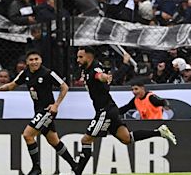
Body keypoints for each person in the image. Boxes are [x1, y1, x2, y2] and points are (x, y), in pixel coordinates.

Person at [74, 46, 176, 175]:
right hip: (111, 109)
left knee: (86, 140)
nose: (78, 60)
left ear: (89, 57)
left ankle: (76, 172)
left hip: (104, 111)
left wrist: (105, 77)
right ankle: (159, 132)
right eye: (78, 56)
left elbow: (99, 75)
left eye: (81, 57)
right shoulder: (88, 68)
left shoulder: (93, 69)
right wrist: (124, 65)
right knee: (127, 138)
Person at [0, 50, 77, 175]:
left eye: (36, 59)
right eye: (31, 60)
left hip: (47, 110)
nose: (34, 62)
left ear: (41, 60)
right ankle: (75, 166)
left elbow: (64, 87)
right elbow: (11, 86)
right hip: (38, 110)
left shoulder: (48, 73)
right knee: (54, 141)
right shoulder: (25, 73)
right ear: (27, 62)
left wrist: (56, 105)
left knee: (27, 135)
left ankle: (36, 168)